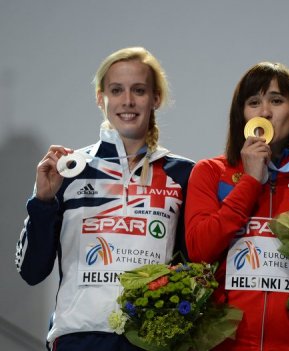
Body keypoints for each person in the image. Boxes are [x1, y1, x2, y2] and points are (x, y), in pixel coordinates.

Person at [15, 47, 195, 350]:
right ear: (101, 98)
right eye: (116, 90)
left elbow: (193, 266)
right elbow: (31, 271)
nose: (127, 101)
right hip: (79, 339)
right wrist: (43, 202)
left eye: (139, 90)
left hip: (150, 341)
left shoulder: (183, 174)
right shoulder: (68, 169)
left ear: (156, 98)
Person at [185, 62, 289, 350]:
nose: (265, 112)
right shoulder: (210, 172)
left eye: (276, 100)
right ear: (242, 116)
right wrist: (250, 180)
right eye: (254, 102)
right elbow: (199, 249)